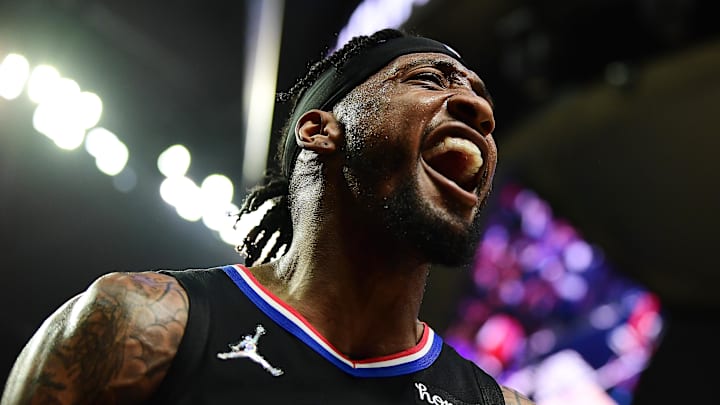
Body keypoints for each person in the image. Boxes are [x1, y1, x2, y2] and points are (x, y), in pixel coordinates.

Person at [1, 28, 534, 405]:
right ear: (319, 130)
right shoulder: (140, 325)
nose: (480, 113)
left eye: (480, 98)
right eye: (429, 79)